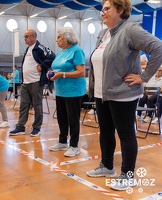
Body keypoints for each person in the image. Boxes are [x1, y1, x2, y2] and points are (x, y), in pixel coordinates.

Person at [86, 0, 162, 191]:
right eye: (101, 9)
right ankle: (107, 166)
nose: (102, 12)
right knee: (105, 130)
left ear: (120, 10)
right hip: (102, 92)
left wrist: (143, 77)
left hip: (123, 93)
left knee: (126, 134)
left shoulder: (130, 30)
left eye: (107, 9)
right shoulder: (103, 34)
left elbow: (158, 47)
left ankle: (128, 176)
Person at [48, 27, 86, 157]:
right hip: (60, 90)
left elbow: (81, 72)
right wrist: (51, 73)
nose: (56, 40)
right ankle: (62, 141)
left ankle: (74, 145)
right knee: (62, 118)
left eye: (59, 37)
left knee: (73, 119)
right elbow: (56, 68)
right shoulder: (60, 52)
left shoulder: (77, 51)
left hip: (73, 91)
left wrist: (62, 74)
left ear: (67, 38)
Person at [9, 29, 55, 137]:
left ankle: (36, 128)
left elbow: (52, 56)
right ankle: (20, 127)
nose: (24, 39)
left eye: (26, 36)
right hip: (26, 82)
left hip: (36, 82)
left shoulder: (39, 48)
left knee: (37, 105)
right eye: (24, 37)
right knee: (23, 105)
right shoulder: (28, 49)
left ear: (33, 37)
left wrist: (42, 66)